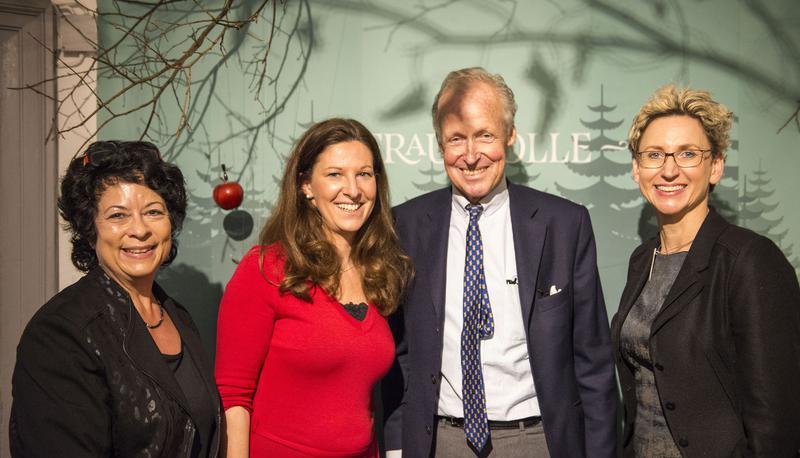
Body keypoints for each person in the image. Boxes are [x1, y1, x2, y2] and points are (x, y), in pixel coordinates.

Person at [382, 67, 617, 457]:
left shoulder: (564, 224)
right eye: (456, 139)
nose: (471, 155)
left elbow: (592, 360)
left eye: (485, 135)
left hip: (537, 440)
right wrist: (394, 448)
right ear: (440, 143)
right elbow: (397, 356)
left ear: (510, 135)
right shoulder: (404, 226)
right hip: (439, 442)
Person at [611, 85, 800, 457]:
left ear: (715, 166)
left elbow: (777, 420)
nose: (669, 170)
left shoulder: (749, 259)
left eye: (687, 154)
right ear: (636, 169)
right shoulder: (642, 259)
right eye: (654, 155)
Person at [214, 118, 413, 457]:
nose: (353, 189)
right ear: (306, 185)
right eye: (335, 174)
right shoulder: (268, 268)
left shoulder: (381, 273)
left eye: (364, 174)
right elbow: (234, 394)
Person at [10, 141, 221, 457]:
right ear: (90, 228)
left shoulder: (177, 316)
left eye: (153, 212)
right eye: (118, 215)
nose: (139, 230)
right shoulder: (61, 334)